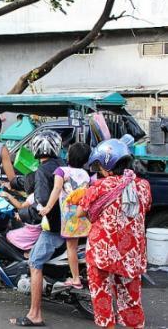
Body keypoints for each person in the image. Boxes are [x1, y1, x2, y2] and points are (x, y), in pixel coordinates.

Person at [76, 137, 151, 329]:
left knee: (102, 298)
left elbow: (80, 212)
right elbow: (145, 208)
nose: (100, 171)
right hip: (131, 254)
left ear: (107, 164)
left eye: (100, 166)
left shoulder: (100, 186)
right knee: (131, 301)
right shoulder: (143, 186)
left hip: (103, 252)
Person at [11, 130, 65, 327]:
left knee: (34, 263)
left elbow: (41, 203)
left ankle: (35, 314)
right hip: (69, 224)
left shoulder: (44, 170)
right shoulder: (61, 165)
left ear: (36, 149)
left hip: (53, 228)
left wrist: (23, 214)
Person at [39, 142, 91, 289]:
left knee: (71, 248)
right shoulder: (85, 174)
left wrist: (47, 208)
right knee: (80, 246)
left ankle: (75, 279)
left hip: (70, 218)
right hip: (84, 216)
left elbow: (56, 190)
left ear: (68, 155)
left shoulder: (61, 171)